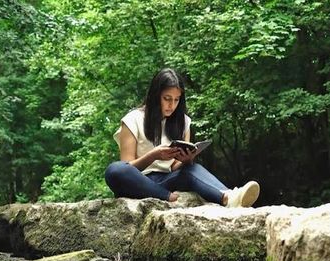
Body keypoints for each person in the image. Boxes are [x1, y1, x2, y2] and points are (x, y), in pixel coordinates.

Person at [104, 68, 260, 207]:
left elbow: (173, 168)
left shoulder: (183, 121)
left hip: (168, 180)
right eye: (167, 98)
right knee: (114, 170)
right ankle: (165, 197)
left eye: (176, 100)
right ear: (155, 95)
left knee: (192, 168)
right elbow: (127, 168)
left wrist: (186, 160)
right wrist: (153, 155)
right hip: (140, 182)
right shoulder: (132, 120)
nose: (171, 105)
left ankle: (229, 197)